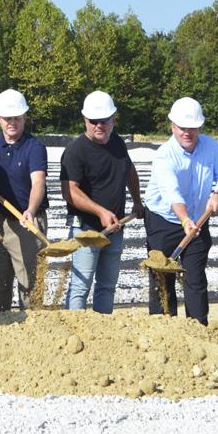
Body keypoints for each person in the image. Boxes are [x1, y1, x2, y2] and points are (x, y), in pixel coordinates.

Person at [143, 97, 218, 325]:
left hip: (198, 220)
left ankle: (197, 328)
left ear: (199, 127)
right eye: (182, 127)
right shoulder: (164, 155)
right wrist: (185, 220)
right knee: (162, 277)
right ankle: (164, 328)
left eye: (192, 128)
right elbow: (172, 193)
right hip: (163, 221)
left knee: (195, 277)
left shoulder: (211, 147)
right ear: (172, 126)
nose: (187, 133)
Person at [60, 90, 143, 314]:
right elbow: (69, 191)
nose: (99, 125)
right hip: (86, 229)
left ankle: (103, 328)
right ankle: (74, 328)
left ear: (113, 119)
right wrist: (100, 212)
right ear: (85, 120)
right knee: (81, 286)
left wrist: (137, 200)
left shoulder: (117, 143)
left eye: (104, 121)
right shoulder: (76, 150)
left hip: (115, 227)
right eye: (93, 121)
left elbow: (129, 170)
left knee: (107, 286)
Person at [0, 89, 48, 312]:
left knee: (29, 283)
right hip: (1, 220)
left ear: (25, 117)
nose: (12, 123)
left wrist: (31, 209)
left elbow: (38, 182)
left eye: (17, 118)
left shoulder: (34, 147)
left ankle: (31, 327)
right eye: (7, 118)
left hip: (28, 221)